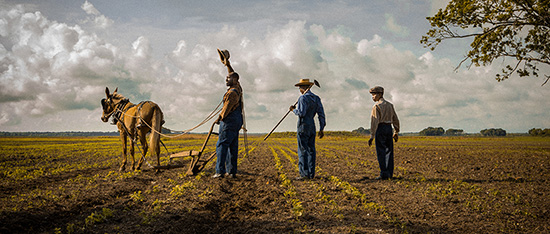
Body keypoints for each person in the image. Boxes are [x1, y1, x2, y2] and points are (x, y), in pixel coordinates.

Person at [213, 49, 243, 179]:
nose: (226, 79)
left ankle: (219, 171)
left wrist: (219, 118)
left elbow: (226, 109)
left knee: (222, 145)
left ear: (235, 80)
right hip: (237, 120)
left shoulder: (231, 93)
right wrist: (227, 64)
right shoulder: (238, 89)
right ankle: (231, 172)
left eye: (228, 78)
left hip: (229, 120)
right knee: (233, 145)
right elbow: (232, 73)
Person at [289, 79, 326, 180]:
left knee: (302, 150)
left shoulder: (302, 98)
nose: (299, 90)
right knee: (311, 150)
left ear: (304, 88)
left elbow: (301, 113)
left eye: (300, 88)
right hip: (312, 126)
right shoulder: (316, 98)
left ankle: (304, 174)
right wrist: (321, 128)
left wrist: (293, 110)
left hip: (303, 126)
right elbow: (321, 114)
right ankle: (311, 174)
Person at [367, 86, 400, 180]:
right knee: (389, 151)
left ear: (380, 94)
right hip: (389, 128)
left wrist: (372, 135)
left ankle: (384, 173)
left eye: (374, 94)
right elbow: (395, 119)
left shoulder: (376, 106)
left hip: (380, 128)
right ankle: (389, 173)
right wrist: (396, 131)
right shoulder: (390, 105)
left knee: (381, 151)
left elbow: (375, 121)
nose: (373, 97)